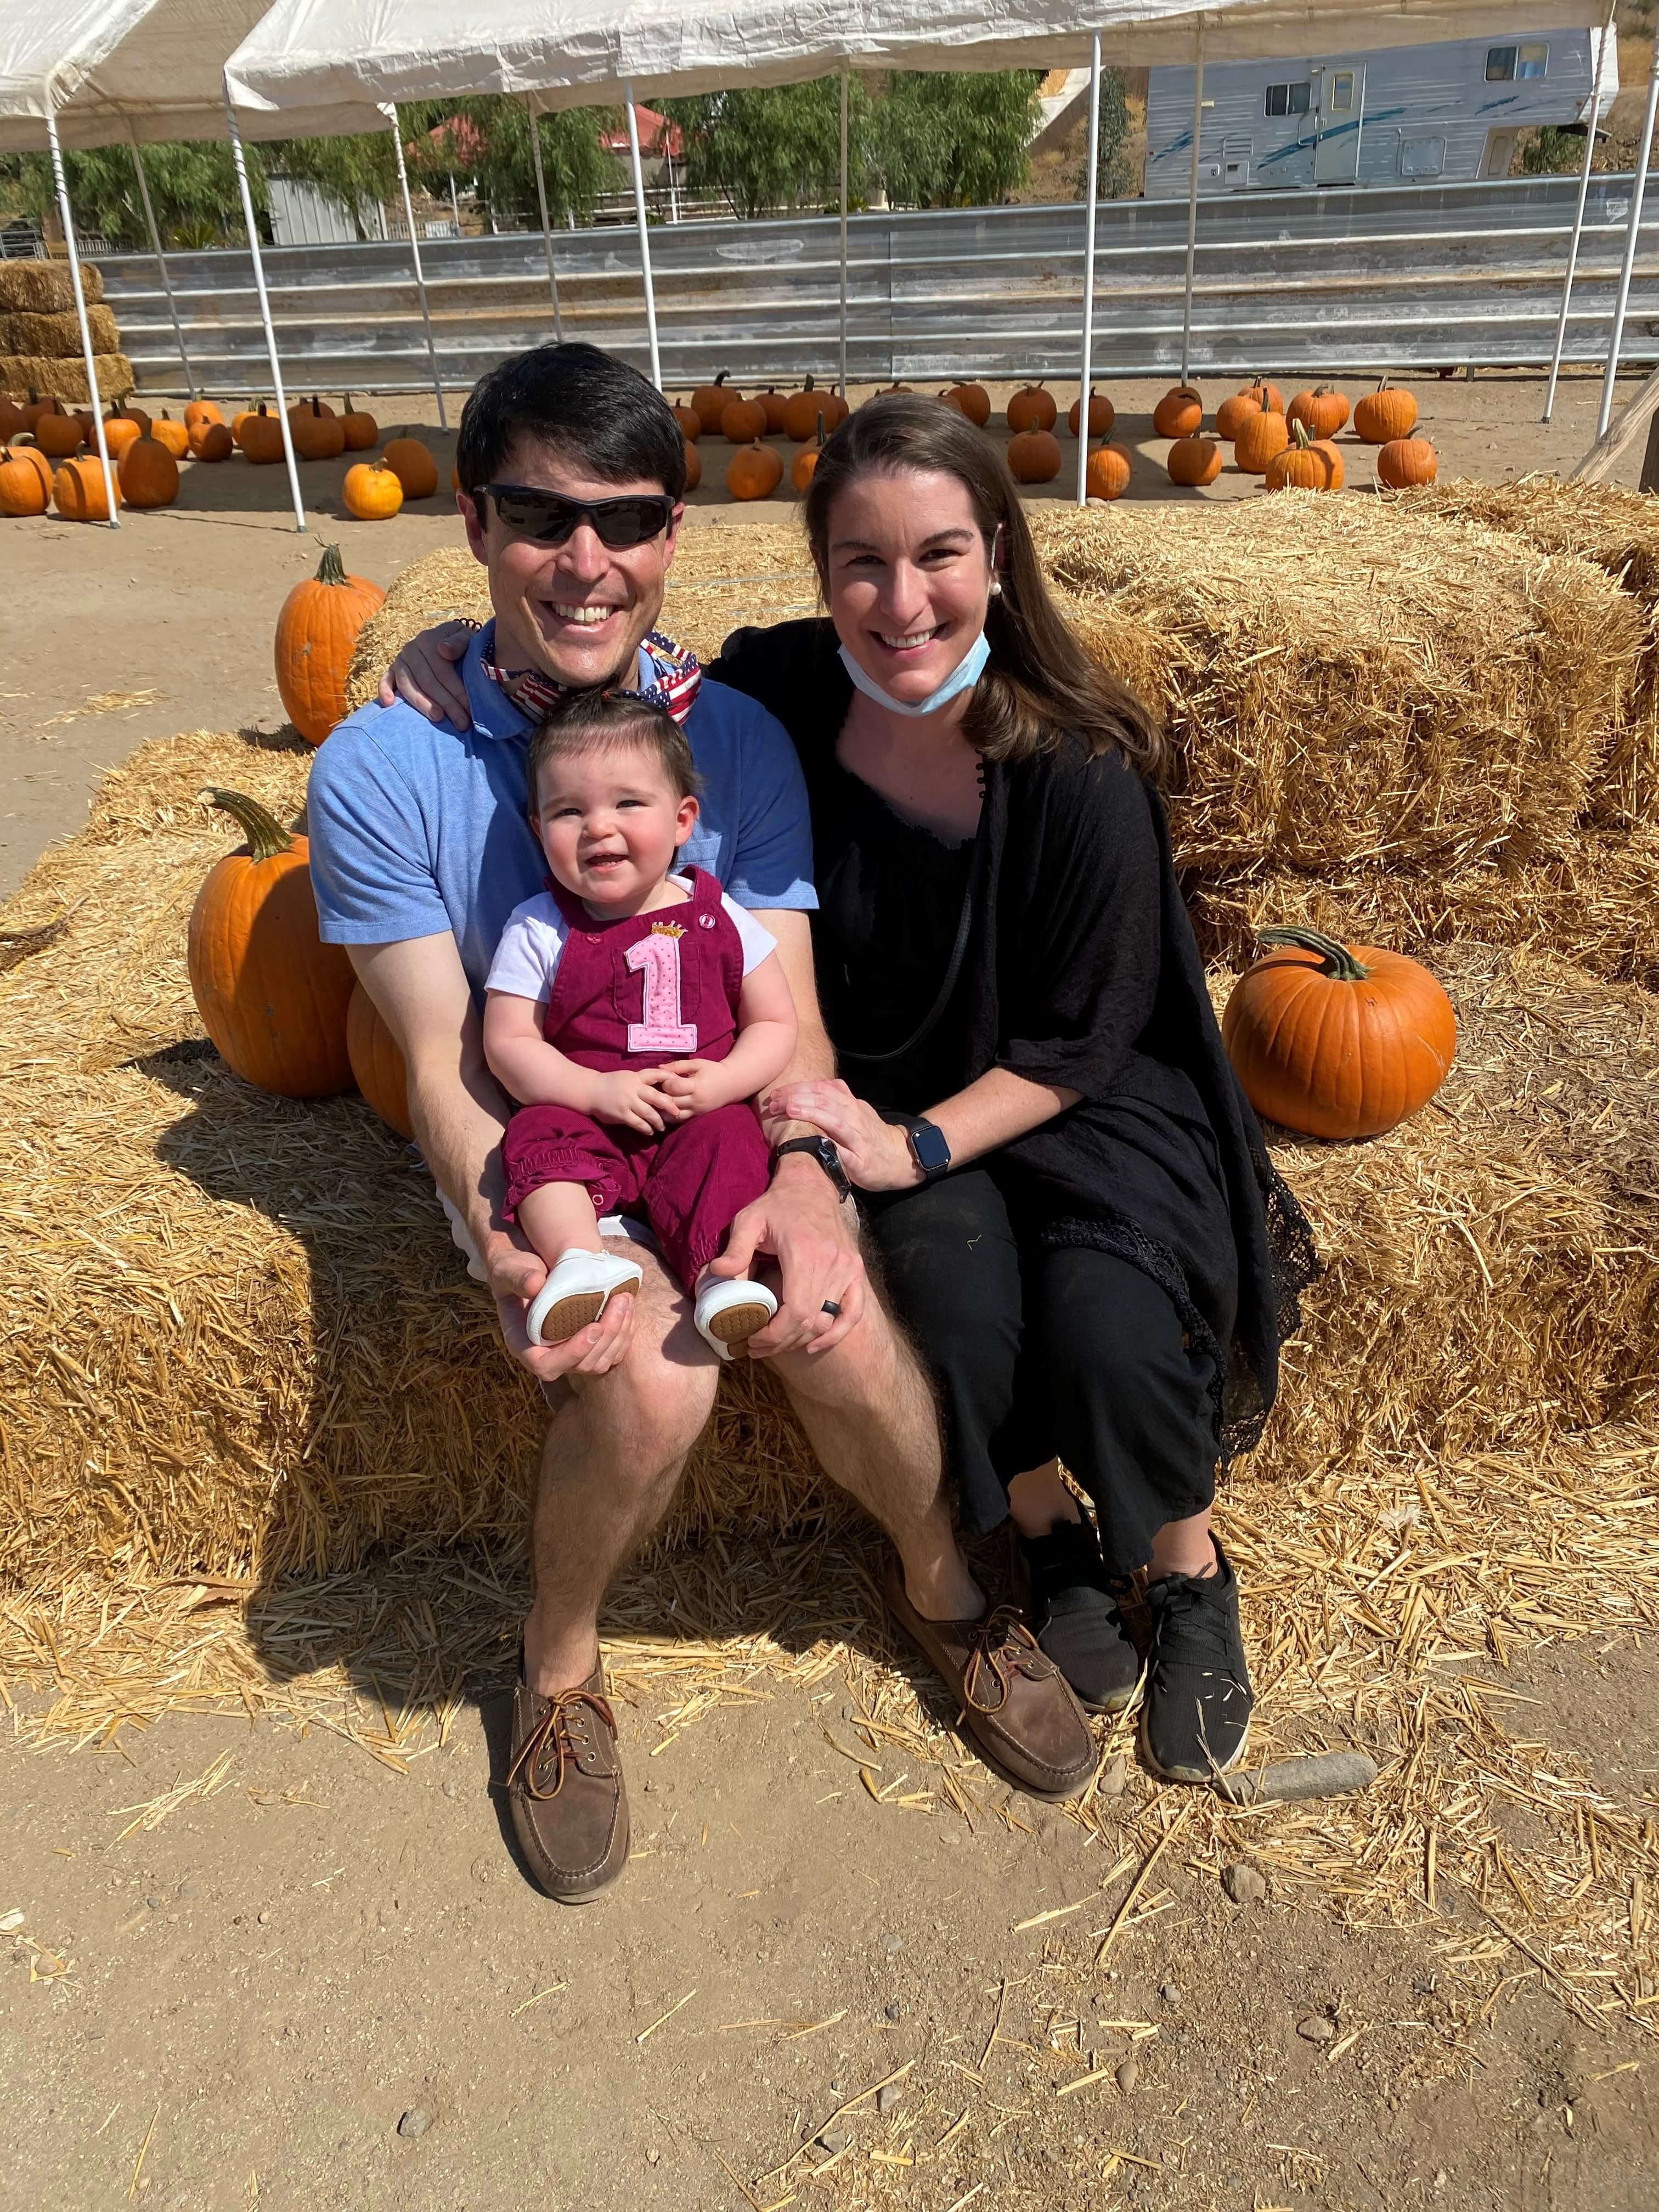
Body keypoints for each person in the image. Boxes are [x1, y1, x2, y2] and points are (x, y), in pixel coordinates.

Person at [386, 383, 1317, 1815]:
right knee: (944, 1301)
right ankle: (1044, 1530)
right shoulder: (788, 697)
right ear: (821, 582)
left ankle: (1185, 1574)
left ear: (999, 556)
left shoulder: (1079, 758)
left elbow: (1085, 1042)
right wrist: (442, 646)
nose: (903, 599)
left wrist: (902, 1142)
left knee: (1110, 1325)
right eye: (862, 565)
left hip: (1075, 1092)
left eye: (940, 554)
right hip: (892, 1091)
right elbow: (605, 680)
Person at [314, 343, 1097, 1911]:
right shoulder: (380, 762)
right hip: (541, 1134)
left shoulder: (730, 739)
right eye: (541, 516)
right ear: (473, 523)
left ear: (677, 536)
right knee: (653, 1388)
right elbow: (436, 1059)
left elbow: (786, 1010)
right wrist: (518, 1233)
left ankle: (943, 1588)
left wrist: (810, 1172)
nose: (586, 560)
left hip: (717, 1111)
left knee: (828, 1310)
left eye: (627, 519)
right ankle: (557, 1671)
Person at [483, 689, 797, 1356]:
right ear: (539, 829)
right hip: (589, 1116)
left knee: (732, 1142)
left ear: (683, 819)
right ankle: (577, 1260)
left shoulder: (719, 915)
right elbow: (508, 1041)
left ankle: (721, 1278)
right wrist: (592, 1092)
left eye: (628, 803)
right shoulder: (539, 926)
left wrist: (724, 1082)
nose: (599, 826)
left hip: (695, 1115)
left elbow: (774, 1022)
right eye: (570, 811)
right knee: (535, 1136)